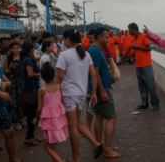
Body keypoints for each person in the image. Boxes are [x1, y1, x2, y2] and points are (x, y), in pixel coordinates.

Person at [55, 29, 103, 162]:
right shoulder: (86, 54)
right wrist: (93, 93)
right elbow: (93, 74)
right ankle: (95, 143)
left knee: (72, 126)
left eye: (64, 39)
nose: (64, 42)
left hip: (69, 93)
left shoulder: (64, 55)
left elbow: (59, 78)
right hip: (81, 93)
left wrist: (49, 89)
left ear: (68, 40)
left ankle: (76, 157)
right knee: (75, 122)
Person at [88, 27, 122, 158]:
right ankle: (107, 149)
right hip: (103, 89)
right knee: (111, 118)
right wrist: (101, 91)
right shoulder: (95, 51)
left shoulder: (95, 50)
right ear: (99, 37)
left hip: (100, 88)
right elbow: (95, 72)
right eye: (107, 37)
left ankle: (99, 144)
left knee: (99, 116)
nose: (109, 39)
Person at [118, 23, 160, 110]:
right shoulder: (132, 38)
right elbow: (129, 49)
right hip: (138, 66)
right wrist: (121, 59)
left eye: (129, 30)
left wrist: (137, 47)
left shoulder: (144, 36)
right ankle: (144, 103)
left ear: (133, 29)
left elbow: (149, 48)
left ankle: (155, 104)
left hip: (146, 65)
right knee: (141, 85)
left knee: (150, 85)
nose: (129, 32)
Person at [33, 62, 68, 162]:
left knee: (47, 147)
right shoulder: (58, 87)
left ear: (42, 77)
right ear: (54, 75)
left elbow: (39, 108)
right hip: (58, 119)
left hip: (48, 120)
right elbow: (62, 102)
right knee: (53, 144)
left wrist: (36, 118)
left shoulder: (42, 90)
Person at [20, 41, 41, 146]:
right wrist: (39, 75)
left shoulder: (26, 58)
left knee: (32, 114)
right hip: (30, 90)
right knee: (32, 114)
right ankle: (28, 137)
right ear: (30, 49)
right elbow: (30, 74)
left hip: (31, 88)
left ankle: (31, 135)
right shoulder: (28, 59)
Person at [3, 42, 25, 130]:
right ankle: (15, 121)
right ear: (11, 49)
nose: (16, 50)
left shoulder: (22, 57)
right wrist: (10, 67)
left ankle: (22, 118)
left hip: (21, 81)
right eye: (14, 48)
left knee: (21, 99)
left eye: (17, 48)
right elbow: (5, 72)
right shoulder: (7, 59)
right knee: (13, 101)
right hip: (12, 82)